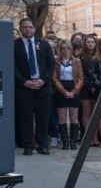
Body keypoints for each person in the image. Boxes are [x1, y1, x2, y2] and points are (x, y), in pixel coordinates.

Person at [14, 17, 56, 155]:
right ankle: (28, 146)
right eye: (25, 27)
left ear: (34, 28)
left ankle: (42, 145)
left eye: (30, 27)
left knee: (42, 117)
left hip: (42, 87)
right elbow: (12, 66)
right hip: (24, 87)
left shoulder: (43, 44)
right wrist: (24, 81)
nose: (28, 29)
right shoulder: (15, 45)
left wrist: (43, 80)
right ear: (20, 29)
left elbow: (51, 64)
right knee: (25, 117)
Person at [51, 39, 84, 151]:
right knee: (62, 118)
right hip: (61, 89)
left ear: (71, 49)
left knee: (74, 117)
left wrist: (74, 91)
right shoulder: (56, 61)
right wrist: (63, 91)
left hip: (73, 88)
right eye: (63, 48)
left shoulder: (77, 61)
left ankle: (73, 142)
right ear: (60, 49)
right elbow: (54, 78)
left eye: (67, 48)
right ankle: (65, 142)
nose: (65, 50)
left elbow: (80, 78)